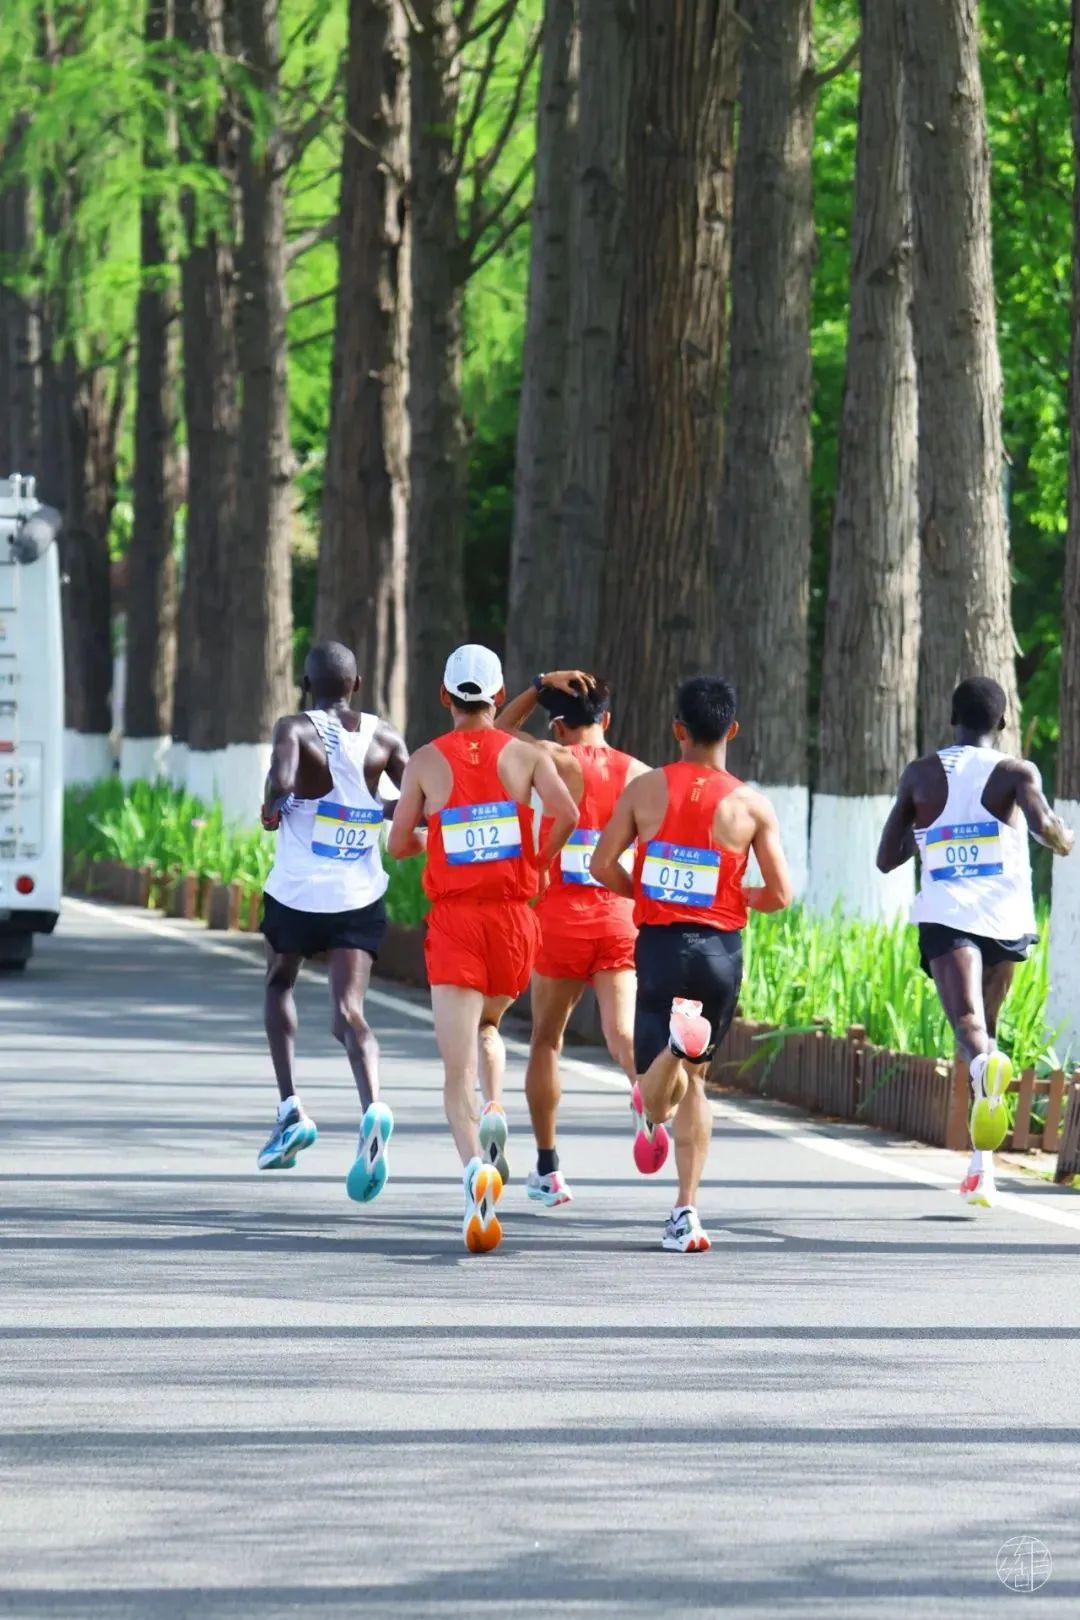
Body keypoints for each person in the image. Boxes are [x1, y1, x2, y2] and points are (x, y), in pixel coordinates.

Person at [591, 675, 792, 1253]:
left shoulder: (645, 789)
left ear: (678, 730)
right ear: (731, 730)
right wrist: (738, 896)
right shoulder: (751, 804)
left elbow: (603, 864)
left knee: (655, 1099)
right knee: (699, 1084)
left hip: (659, 946)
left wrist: (645, 894)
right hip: (720, 954)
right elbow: (780, 893)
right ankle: (686, 1210)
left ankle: (678, 1048)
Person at [388, 644, 579, 1252]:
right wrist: (538, 856)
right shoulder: (525, 754)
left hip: (455, 923)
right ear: (498, 698)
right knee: (491, 1025)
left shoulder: (423, 760)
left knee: (453, 1073)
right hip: (514, 924)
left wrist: (437, 840)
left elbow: (398, 844)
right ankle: (496, 1103)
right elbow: (568, 812)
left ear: (444, 697)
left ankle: (474, 1168)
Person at [877, 676, 1073, 1207]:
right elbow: (1045, 826)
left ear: (951, 719)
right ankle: (980, 1167)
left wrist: (929, 833)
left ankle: (985, 1087)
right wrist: (1063, 839)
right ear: (1003, 723)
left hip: (948, 916)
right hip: (1005, 920)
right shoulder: (1015, 771)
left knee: (970, 1031)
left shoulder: (921, 773)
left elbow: (886, 857)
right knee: (988, 1029)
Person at [257, 640, 409, 1204]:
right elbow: (411, 795)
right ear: (358, 685)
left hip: (297, 894)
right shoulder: (386, 736)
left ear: (305, 683)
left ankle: (291, 1107)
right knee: (350, 1013)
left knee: (279, 981)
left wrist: (274, 807)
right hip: (357, 895)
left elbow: (282, 777)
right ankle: (372, 1107)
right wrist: (378, 809)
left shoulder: (293, 727)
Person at [495, 670, 650, 1206]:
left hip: (560, 916)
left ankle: (548, 1168)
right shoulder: (641, 775)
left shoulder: (548, 757)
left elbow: (494, 729)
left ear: (559, 727)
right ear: (606, 720)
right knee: (623, 1034)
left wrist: (538, 687)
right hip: (620, 916)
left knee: (546, 1040)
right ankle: (644, 1093)